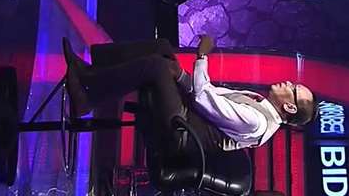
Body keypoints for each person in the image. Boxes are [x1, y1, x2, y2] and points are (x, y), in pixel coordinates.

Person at [62, 34, 317, 153]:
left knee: (157, 66)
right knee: (162, 48)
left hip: (183, 131)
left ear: (290, 107)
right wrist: (182, 76)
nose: (288, 83)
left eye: (293, 89)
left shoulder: (257, 122)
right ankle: (92, 69)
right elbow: (210, 94)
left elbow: (204, 100)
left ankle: (87, 97)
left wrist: (202, 56)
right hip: (190, 113)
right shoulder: (259, 103)